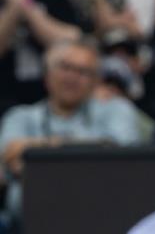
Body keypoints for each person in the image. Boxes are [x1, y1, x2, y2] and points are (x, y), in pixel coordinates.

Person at [0, 39, 142, 227]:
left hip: (102, 221)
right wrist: (90, 155)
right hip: (26, 224)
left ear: (95, 81)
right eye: (65, 67)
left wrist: (38, 152)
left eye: (83, 71)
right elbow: (9, 157)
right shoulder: (21, 116)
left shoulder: (116, 109)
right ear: (47, 74)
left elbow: (124, 157)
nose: (72, 77)